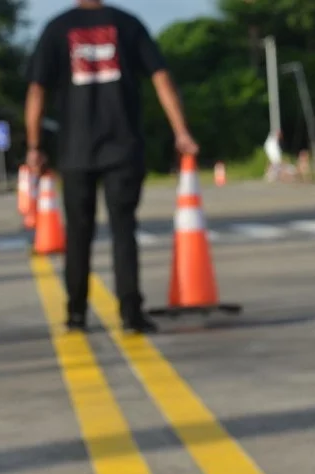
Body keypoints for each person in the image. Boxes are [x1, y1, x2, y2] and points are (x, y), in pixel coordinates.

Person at [24, 0, 198, 334]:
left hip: (75, 151)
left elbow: (36, 90)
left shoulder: (57, 28)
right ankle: (131, 313)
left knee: (78, 234)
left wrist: (34, 147)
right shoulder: (127, 24)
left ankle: (76, 314)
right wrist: (181, 132)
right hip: (123, 146)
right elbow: (162, 79)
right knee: (123, 231)